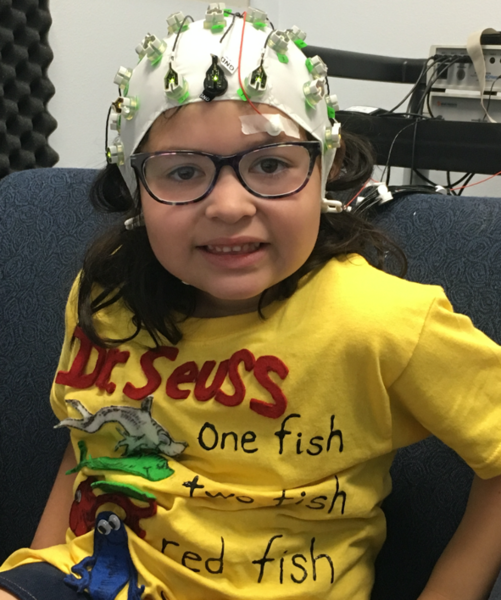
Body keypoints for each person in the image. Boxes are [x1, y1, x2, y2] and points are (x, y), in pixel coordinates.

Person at [1, 5, 501, 600]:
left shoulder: (382, 320)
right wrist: (39, 567)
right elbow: (89, 442)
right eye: (182, 172)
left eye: (270, 164)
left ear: (323, 170)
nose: (230, 206)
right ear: (137, 188)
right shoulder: (106, 293)